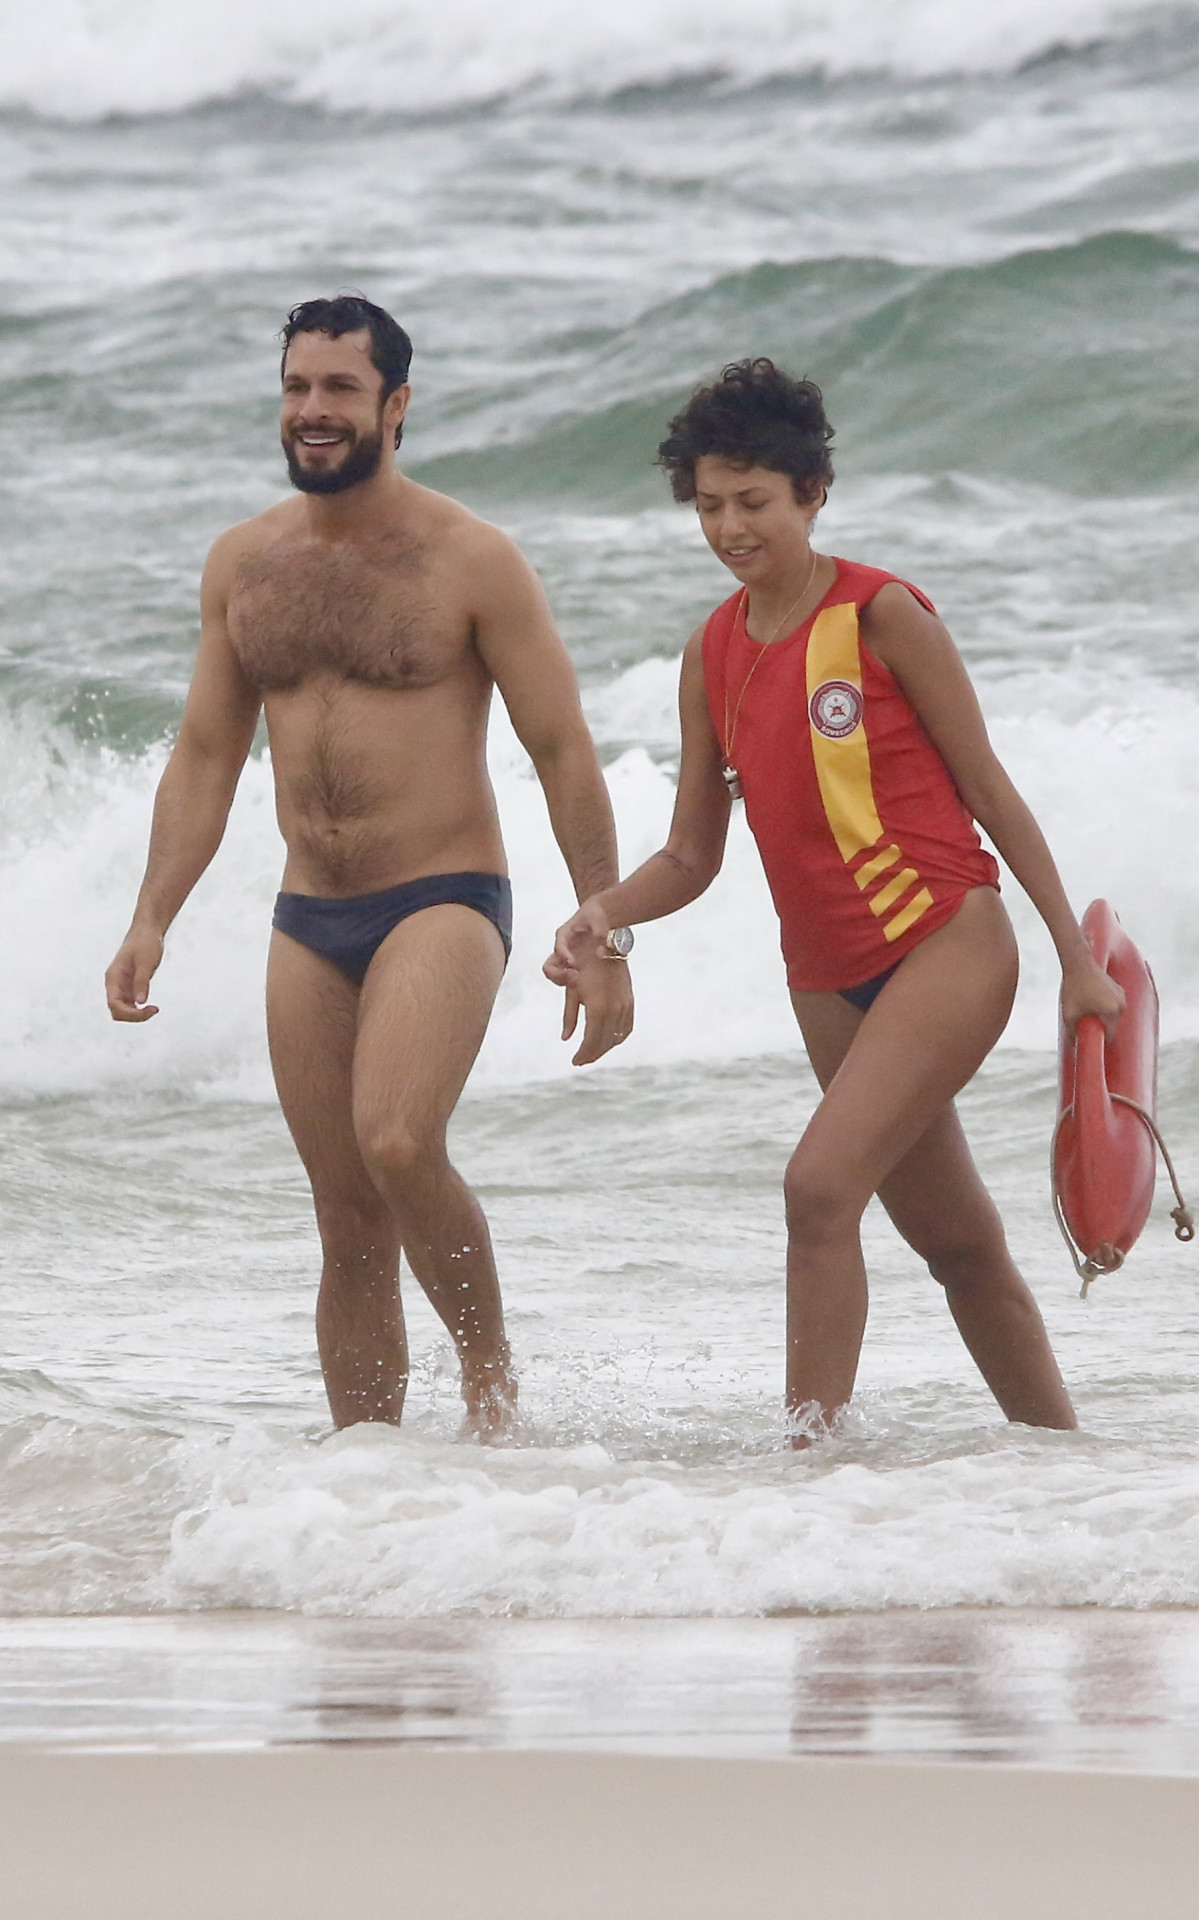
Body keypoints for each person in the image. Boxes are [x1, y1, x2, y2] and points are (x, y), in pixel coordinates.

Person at [547, 357, 1123, 1442]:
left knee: (816, 1190)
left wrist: (1072, 962)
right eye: (709, 505)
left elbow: (986, 787)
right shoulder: (709, 653)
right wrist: (598, 914)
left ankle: (804, 1470)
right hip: (823, 977)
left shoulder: (879, 614)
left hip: (943, 938)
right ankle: (1064, 1462)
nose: (729, 527)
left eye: (753, 502)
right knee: (955, 1245)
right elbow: (688, 855)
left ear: (811, 494)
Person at [106, 294, 632, 1438]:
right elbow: (203, 756)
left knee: (395, 1140)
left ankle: (490, 1384)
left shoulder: (469, 560)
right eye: (296, 387)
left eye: (339, 389)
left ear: (396, 405)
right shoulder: (245, 565)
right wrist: (153, 914)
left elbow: (559, 749)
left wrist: (605, 927)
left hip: (441, 898)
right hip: (310, 916)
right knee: (344, 1218)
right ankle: (366, 1485)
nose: (312, 410)